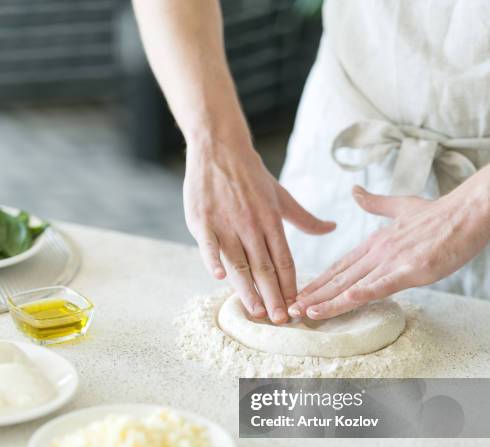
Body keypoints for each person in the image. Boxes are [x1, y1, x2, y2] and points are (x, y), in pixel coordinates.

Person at [132, 0, 490, 322]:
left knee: (467, 393)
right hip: (347, 139)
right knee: (300, 386)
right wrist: (214, 141)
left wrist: (474, 205)